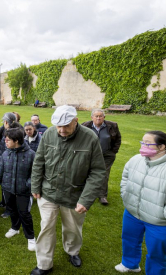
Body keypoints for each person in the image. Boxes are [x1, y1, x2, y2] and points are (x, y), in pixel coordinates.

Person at [30, 105, 106, 275]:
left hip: (75, 195)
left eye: (66, 125)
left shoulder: (90, 137)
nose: (62, 130)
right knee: (46, 228)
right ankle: (44, 264)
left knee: (72, 229)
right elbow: (39, 161)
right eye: (59, 126)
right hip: (48, 191)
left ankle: (72, 251)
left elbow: (98, 171)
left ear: (76, 120)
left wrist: (86, 199)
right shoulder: (49, 133)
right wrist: (35, 185)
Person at [115, 131, 166, 274]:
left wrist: (165, 213)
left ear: (162, 147)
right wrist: (126, 196)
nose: (143, 146)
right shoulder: (136, 159)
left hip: (160, 221)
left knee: (157, 253)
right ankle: (130, 264)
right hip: (132, 213)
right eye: (142, 142)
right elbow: (125, 177)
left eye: (148, 143)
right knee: (129, 240)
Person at [0, 128, 36, 251]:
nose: (5, 142)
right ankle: (14, 228)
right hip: (7, 188)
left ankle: (31, 237)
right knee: (11, 209)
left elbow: (35, 174)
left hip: (23, 190)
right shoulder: (6, 153)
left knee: (24, 213)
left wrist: (27, 185)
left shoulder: (31, 154)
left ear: (16, 141)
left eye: (7, 140)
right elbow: (0, 170)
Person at [82, 109, 121, 205]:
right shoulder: (85, 126)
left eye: (100, 116)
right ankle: (86, 193)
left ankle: (102, 196)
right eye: (96, 116)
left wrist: (113, 151)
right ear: (92, 117)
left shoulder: (112, 126)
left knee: (104, 175)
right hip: (90, 155)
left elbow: (118, 139)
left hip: (106, 155)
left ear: (104, 117)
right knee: (86, 173)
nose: (98, 118)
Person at [0, 112, 21, 218]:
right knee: (3, 183)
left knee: (9, 186)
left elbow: (7, 147)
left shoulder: (14, 132)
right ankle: (3, 202)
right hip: (2, 157)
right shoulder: (4, 129)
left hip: (9, 161)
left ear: (6, 121)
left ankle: (10, 209)